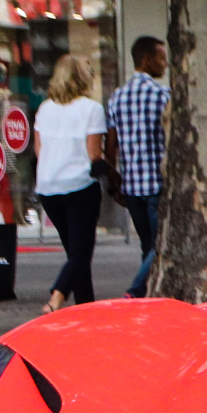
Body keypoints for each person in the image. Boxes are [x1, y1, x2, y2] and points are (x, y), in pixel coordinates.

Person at [34, 53, 109, 311]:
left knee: (74, 253)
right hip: (79, 185)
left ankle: (86, 308)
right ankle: (57, 297)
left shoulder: (45, 108)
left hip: (48, 186)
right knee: (81, 252)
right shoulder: (92, 109)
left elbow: (38, 149)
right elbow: (95, 154)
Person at [109, 34, 170, 297]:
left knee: (147, 246)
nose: (165, 65)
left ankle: (148, 294)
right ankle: (134, 292)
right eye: (161, 58)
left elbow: (110, 145)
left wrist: (115, 183)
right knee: (160, 244)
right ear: (146, 59)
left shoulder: (116, 97)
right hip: (157, 183)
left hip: (131, 185)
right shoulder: (163, 95)